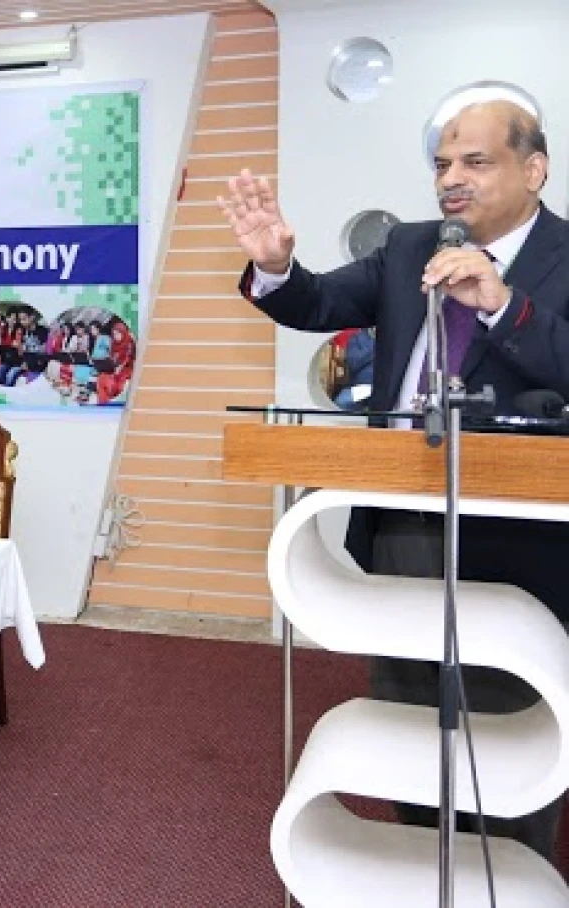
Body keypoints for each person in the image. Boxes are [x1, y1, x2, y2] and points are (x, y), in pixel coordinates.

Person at [220, 100, 569, 859]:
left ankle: (509, 871)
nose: (451, 179)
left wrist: (502, 304)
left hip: (523, 542)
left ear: (534, 169)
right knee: (410, 715)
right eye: (442, 164)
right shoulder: (411, 245)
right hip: (403, 519)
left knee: (506, 732)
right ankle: (421, 860)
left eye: (475, 162)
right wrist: (276, 265)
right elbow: (318, 302)